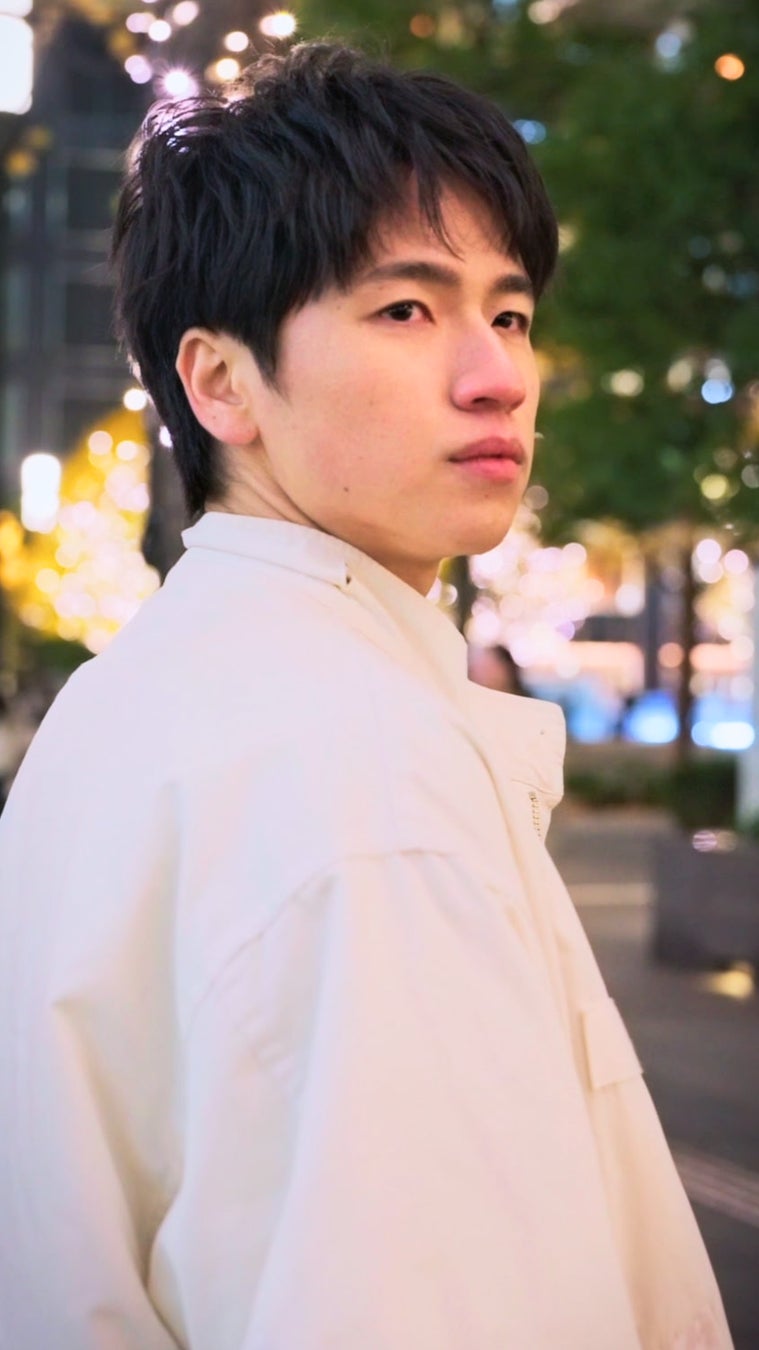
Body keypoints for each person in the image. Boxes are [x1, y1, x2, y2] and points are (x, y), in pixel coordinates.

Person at [0, 42, 731, 1350]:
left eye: (510, 314)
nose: (498, 374)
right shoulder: (358, 780)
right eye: (406, 309)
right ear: (220, 381)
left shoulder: (140, 701)